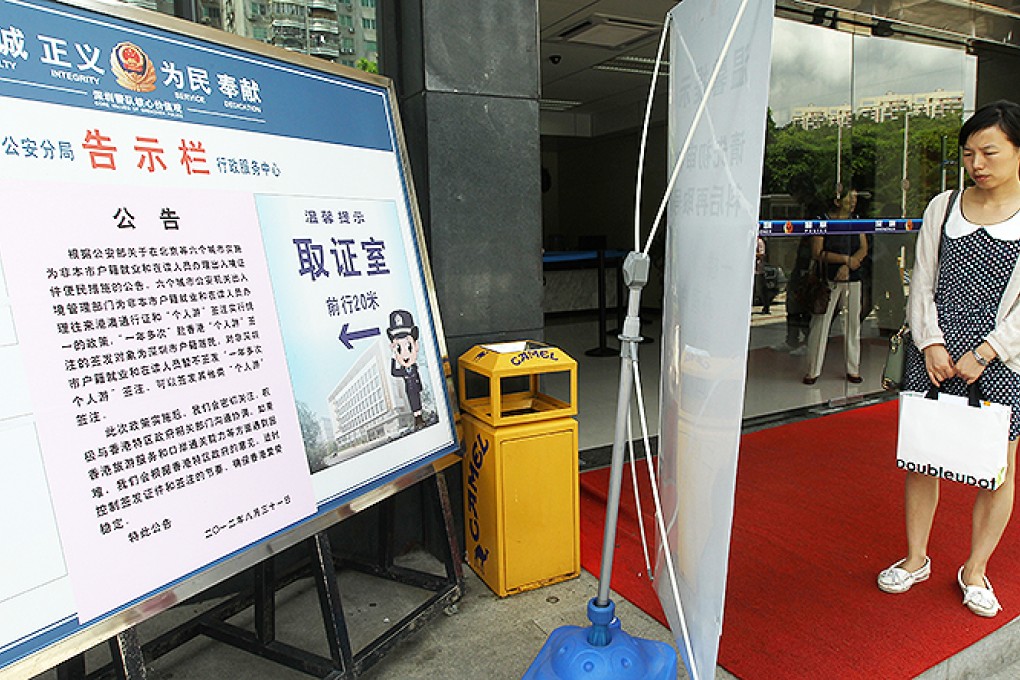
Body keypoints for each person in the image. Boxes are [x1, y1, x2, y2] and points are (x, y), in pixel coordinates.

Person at [877, 100, 1020, 618]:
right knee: (924, 456)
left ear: (1017, 152)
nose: (977, 164)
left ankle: (975, 569)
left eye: (990, 152)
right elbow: (921, 281)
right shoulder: (944, 206)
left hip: (1002, 359)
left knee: (998, 469)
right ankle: (916, 558)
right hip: (933, 351)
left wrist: (988, 351)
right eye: (968, 153)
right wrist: (932, 342)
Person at [802, 190, 868, 384]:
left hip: (852, 277)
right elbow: (817, 252)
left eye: (856, 197)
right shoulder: (823, 221)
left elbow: (863, 248)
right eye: (850, 197)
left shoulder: (857, 220)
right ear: (838, 200)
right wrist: (844, 259)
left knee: (852, 324)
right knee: (820, 324)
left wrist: (848, 265)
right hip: (828, 279)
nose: (854, 201)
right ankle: (812, 370)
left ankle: (853, 369)